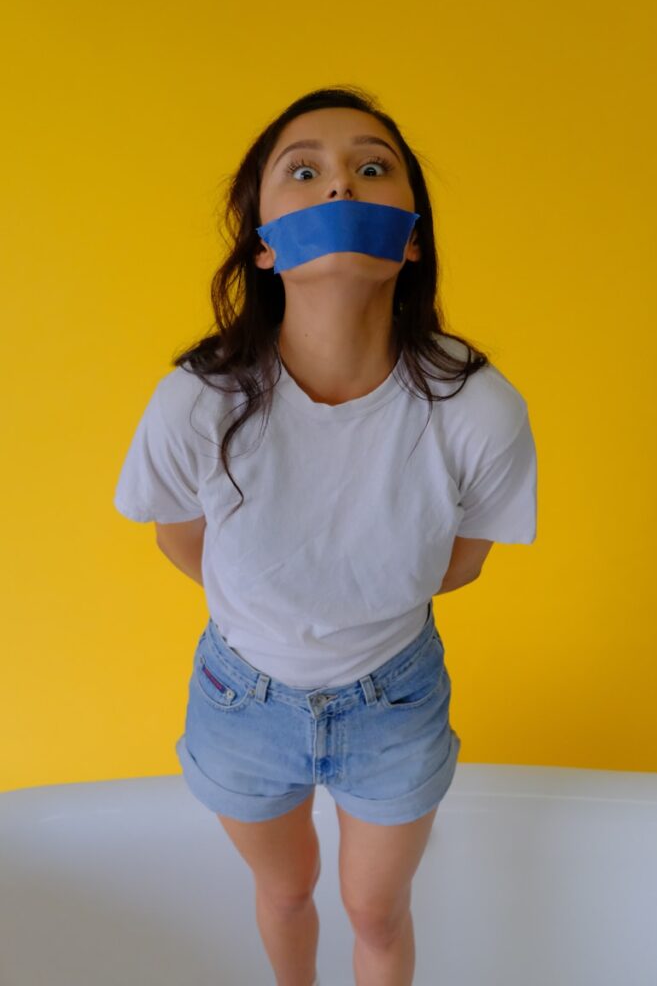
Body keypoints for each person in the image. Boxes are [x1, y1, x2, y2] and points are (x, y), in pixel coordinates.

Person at [114, 85, 537, 986]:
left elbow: (458, 561)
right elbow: (177, 536)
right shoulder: (197, 400)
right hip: (238, 702)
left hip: (396, 705)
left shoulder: (478, 408)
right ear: (264, 246)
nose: (340, 185)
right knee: (286, 893)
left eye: (371, 167)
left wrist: (345, 604)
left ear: (411, 236)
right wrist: (276, 608)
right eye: (302, 171)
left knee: (375, 911)